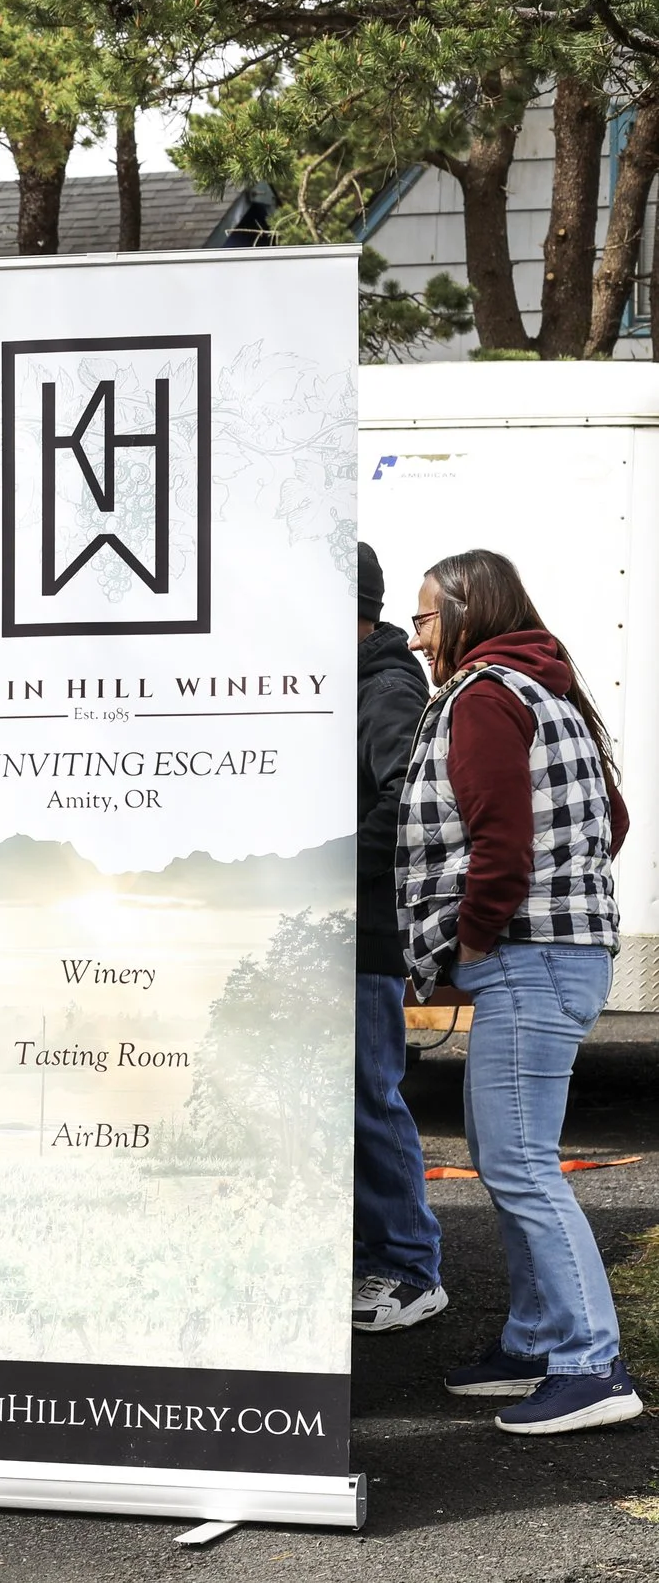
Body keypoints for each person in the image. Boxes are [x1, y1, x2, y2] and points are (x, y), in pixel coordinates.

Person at [402, 549, 639, 1434]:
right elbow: (608, 819)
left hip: (525, 958)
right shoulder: (548, 691)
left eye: (425, 617)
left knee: (522, 1166)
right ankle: (539, 1340)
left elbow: (500, 835)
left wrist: (474, 932)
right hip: (560, 955)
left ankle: (591, 1365)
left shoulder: (487, 697)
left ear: (466, 612)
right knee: (510, 1159)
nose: (418, 634)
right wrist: (563, 892)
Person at [351, 543, 446, 1333]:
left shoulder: (383, 689)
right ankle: (377, 1259)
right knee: (348, 1099)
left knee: (367, 1099)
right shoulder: (358, 682)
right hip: (335, 928)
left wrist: (323, 870)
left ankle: (410, 1268)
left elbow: (401, 805)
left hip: (362, 931)